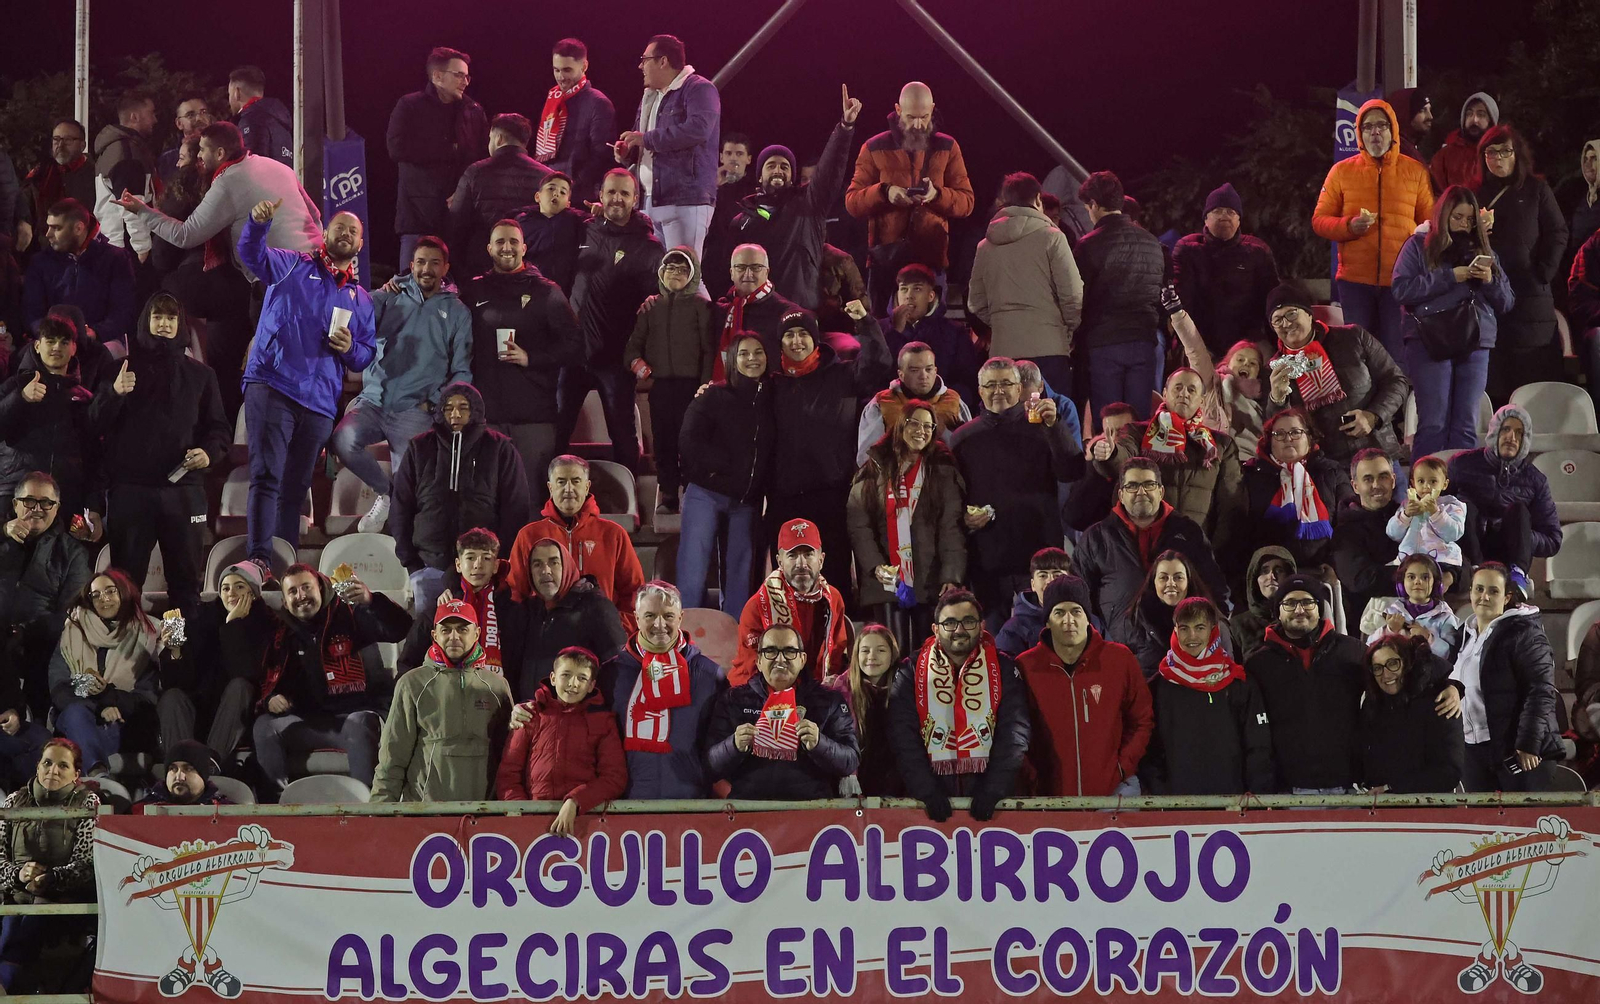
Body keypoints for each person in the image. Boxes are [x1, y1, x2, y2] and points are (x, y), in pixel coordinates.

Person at [238, 198, 375, 576]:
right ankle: (260, 558)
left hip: (318, 403)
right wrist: (256, 223)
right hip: (273, 383)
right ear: (325, 233)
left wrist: (351, 350)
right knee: (266, 475)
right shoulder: (292, 265)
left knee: (296, 488)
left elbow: (365, 355)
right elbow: (251, 254)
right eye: (339, 227)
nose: (345, 233)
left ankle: (284, 565)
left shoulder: (360, 299)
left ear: (359, 245)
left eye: (354, 231)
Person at [90, 293, 229, 618]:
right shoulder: (119, 370)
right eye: (157, 317)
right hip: (130, 493)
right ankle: (128, 661)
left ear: (180, 324)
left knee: (186, 587)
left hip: (184, 493)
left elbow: (219, 430)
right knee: (126, 585)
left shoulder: (201, 376)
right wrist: (114, 394)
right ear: (145, 322)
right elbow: (93, 424)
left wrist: (208, 454)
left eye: (171, 318)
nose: (164, 324)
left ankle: (184, 660)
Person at [333, 237, 473, 534]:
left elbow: (461, 370)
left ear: (445, 268)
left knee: (413, 487)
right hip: (373, 401)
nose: (427, 269)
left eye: (435, 263)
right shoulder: (390, 296)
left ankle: (406, 559)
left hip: (416, 409)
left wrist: (437, 401)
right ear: (411, 266)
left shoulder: (457, 312)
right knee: (344, 440)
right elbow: (357, 311)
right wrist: (381, 292)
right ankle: (386, 494)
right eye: (421, 262)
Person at [249, 565, 412, 796]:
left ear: (321, 589)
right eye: (293, 591)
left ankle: (371, 810)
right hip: (307, 721)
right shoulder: (281, 633)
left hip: (355, 717)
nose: (301, 596)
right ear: (285, 601)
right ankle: (274, 811)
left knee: (361, 722)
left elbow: (401, 629)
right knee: (265, 726)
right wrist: (270, 699)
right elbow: (266, 679)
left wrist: (371, 601)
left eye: (306, 587)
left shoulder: (351, 614)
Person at [767, 306, 895, 597]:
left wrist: (865, 322)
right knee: (789, 580)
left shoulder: (843, 374)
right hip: (784, 496)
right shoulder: (773, 384)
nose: (797, 341)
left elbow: (879, 363)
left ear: (816, 340)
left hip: (833, 491)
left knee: (835, 572)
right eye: (789, 335)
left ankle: (838, 636)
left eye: (803, 334)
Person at [950, 357, 1085, 621]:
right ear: (980, 391)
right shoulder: (963, 437)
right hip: (987, 555)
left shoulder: (1044, 427)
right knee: (994, 639)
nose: (998, 391)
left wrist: (1055, 427)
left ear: (1018, 388)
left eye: (1005, 384)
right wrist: (964, 519)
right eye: (990, 385)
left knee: (1043, 636)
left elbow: (1072, 471)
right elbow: (955, 496)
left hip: (1039, 555)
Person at [1391, 185, 1515, 453]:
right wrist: (1451, 277)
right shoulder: (1418, 246)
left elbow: (1506, 302)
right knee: (1433, 423)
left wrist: (1490, 280)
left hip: (1476, 340)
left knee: (1466, 425)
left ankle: (1463, 492)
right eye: (1457, 217)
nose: (1463, 225)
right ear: (1443, 216)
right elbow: (1401, 290)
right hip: (1429, 340)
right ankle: (1426, 493)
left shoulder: (1484, 251)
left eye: (1470, 220)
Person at [113, 122, 323, 277]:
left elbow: (186, 235)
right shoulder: (277, 166)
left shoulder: (228, 182)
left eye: (203, 149)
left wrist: (142, 211)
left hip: (277, 278)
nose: (199, 156)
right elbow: (315, 216)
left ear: (220, 153)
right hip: (315, 267)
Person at [390, 383, 531, 615]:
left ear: (475, 411)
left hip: (483, 571)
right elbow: (401, 507)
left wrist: (497, 562)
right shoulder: (419, 447)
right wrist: (412, 564)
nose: (455, 414)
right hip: (429, 567)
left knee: (482, 640)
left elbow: (515, 508)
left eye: (463, 407)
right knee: (430, 642)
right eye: (448, 408)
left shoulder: (499, 448)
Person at [887, 589, 1028, 818]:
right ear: (936, 628)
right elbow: (902, 734)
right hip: (928, 806)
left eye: (968, 621)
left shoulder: (1003, 668)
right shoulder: (911, 671)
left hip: (993, 805)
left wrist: (994, 790)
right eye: (950, 623)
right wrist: (926, 791)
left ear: (982, 626)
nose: (959, 630)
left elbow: (1014, 732)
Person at [1311, 98, 1435, 360]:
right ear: (1359, 133)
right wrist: (1349, 226)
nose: (1375, 132)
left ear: (1393, 131)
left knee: (1395, 355)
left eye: (1382, 125)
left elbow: (1430, 225)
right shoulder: (1341, 171)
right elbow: (1319, 220)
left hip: (1400, 281)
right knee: (1358, 356)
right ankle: (1361, 403)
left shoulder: (1415, 172)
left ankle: (1397, 402)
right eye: (1367, 127)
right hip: (1355, 282)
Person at [465, 219, 584, 491]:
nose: (507, 248)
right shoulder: (473, 290)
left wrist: (532, 357)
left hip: (535, 419)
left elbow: (575, 345)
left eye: (513, 242)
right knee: (487, 500)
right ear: (489, 249)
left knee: (531, 501)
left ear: (524, 247)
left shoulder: (546, 291)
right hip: (488, 416)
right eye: (500, 242)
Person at [558, 170, 664, 472]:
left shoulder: (650, 247)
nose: (617, 198)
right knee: (558, 429)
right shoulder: (581, 230)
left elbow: (655, 308)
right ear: (600, 196)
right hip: (574, 353)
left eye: (624, 193)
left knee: (623, 437)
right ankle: (546, 504)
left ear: (635, 199)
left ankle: (630, 498)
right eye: (611, 192)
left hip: (616, 358)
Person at [844, 81, 975, 313]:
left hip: (931, 261)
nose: (917, 124)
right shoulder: (873, 147)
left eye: (924, 117)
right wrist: (885, 192)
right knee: (886, 335)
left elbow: (966, 203)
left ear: (933, 109)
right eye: (911, 117)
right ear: (897, 110)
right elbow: (852, 202)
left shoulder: (948, 146)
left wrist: (937, 195)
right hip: (885, 263)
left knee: (932, 337)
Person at [847, 398, 966, 652]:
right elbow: (860, 525)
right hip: (888, 581)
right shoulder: (873, 469)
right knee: (892, 653)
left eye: (928, 426)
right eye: (914, 424)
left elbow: (950, 527)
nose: (920, 431)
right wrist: (875, 566)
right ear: (900, 426)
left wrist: (951, 575)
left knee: (928, 655)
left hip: (929, 578)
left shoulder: (941, 470)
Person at [1016, 575, 1152, 797]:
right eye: (1059, 612)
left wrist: (1121, 767)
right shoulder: (1026, 666)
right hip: (1050, 802)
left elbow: (1141, 720)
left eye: (1076, 611)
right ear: (1048, 621)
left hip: (1113, 795)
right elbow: (1017, 732)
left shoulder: (1119, 659)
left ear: (1088, 618)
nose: (1068, 620)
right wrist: (1034, 778)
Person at [729, 87, 861, 311]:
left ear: (793, 175)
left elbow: (829, 171)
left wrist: (845, 128)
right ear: (759, 176)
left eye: (785, 166)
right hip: (756, 311)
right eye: (771, 166)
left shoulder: (808, 205)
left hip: (800, 310)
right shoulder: (740, 221)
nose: (778, 170)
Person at [372, 600, 513, 802]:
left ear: (477, 633)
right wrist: (379, 814)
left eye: (462, 629)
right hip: (426, 818)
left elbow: (510, 760)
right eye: (446, 630)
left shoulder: (497, 686)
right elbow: (392, 757)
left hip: (485, 816)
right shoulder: (412, 683)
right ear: (434, 635)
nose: (454, 637)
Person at [1263, 282, 1410, 471]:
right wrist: (1277, 399)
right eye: (1277, 320)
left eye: (1291, 314)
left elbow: (1396, 380)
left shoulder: (1353, 338)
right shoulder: (1274, 369)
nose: (1286, 324)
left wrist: (1373, 416)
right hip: (1327, 469)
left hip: (1378, 454)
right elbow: (1275, 430)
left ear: (1308, 314)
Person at [1075, 456, 1229, 633]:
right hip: (1119, 649)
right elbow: (1079, 596)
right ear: (1121, 495)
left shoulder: (1188, 532)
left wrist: (1217, 632)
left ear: (1161, 492)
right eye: (1132, 486)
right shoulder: (1096, 538)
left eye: (1149, 484)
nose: (1141, 492)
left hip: (1180, 645)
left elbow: (1214, 588)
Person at [1245, 574, 1368, 793]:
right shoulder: (1259, 664)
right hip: (1285, 790)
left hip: (1347, 786)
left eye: (1307, 602)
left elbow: (1393, 683)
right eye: (1290, 603)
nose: (1299, 610)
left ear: (1319, 608)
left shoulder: (1353, 651)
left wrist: (1450, 685)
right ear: (1278, 612)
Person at [1097, 366, 1243, 550]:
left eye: (1191, 389)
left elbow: (1230, 505)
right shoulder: (1138, 433)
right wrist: (1111, 454)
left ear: (1201, 400)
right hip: (1144, 548)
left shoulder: (1219, 445)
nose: (1184, 393)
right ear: (1165, 393)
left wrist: (1214, 552)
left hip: (1197, 550)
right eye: (1178, 387)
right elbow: (1123, 459)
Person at [707, 624, 859, 800]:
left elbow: (850, 761)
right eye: (771, 651)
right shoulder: (733, 700)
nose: (780, 659)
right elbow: (710, 767)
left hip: (811, 814)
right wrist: (734, 745)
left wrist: (820, 744)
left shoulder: (829, 701)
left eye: (789, 651)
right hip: (749, 814)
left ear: (802, 659)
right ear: (759, 661)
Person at [677, 335, 772, 612]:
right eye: (744, 353)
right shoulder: (713, 395)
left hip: (745, 502)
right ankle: (684, 641)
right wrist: (726, 468)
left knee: (740, 580)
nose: (752, 358)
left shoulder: (773, 396)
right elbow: (689, 442)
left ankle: (735, 643)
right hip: (707, 493)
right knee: (692, 572)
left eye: (758, 352)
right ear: (731, 360)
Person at [1141, 597, 1273, 795]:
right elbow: (1148, 749)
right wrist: (1161, 792)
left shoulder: (1239, 683)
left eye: (1200, 627)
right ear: (1175, 630)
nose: (1191, 636)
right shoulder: (1158, 686)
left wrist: (1256, 794)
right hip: (1175, 809)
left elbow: (1258, 745)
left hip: (1232, 805)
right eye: (1184, 628)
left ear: (1213, 630)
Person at [1474, 125, 1569, 399]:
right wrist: (1476, 233)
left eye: (1505, 151)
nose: (1498, 158)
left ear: (1517, 154)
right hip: (1491, 297)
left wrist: (1543, 272)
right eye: (1491, 152)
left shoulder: (1536, 189)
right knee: (1498, 382)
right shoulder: (1474, 194)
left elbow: (1558, 231)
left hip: (1531, 297)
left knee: (1534, 378)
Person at [1451, 563, 1562, 792]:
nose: (1484, 596)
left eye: (1493, 591)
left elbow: (1541, 690)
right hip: (1474, 751)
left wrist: (1528, 744)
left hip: (1517, 750)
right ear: (1470, 592)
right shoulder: (1463, 634)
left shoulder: (1525, 632)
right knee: (1480, 826)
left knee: (1522, 826)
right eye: (1479, 589)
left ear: (1507, 597)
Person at [967, 171, 1082, 391]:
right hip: (1050, 347)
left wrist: (1002, 324)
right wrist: (1067, 328)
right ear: (1038, 199)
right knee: (1050, 418)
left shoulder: (985, 246)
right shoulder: (1053, 237)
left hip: (1003, 349)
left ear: (1004, 201)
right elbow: (1073, 294)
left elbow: (976, 302)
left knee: (1009, 419)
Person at [0, 740, 99, 994]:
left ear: (76, 774)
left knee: (38, 913)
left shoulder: (88, 804)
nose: (52, 771)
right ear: (37, 766)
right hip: (14, 893)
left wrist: (52, 877)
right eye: (47, 763)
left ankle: (4, 983)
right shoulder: (14, 801)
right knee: (14, 915)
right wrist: (18, 874)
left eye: (62, 766)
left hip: (60, 897)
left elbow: (87, 864)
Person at [607, 581, 720, 798]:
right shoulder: (610, 674)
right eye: (650, 616)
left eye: (668, 616)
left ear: (680, 618)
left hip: (690, 804)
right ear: (636, 618)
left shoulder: (709, 674)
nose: (659, 624)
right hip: (626, 806)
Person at [496, 646, 627, 834]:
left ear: (591, 685)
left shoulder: (604, 722)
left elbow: (614, 777)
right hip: (532, 823)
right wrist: (521, 812)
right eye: (566, 675)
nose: (573, 684)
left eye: (582, 678)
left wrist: (576, 801)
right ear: (553, 678)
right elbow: (509, 774)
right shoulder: (530, 715)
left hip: (584, 823)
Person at [154, 562, 276, 762]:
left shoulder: (266, 623)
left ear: (253, 593)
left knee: (240, 686)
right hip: (201, 708)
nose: (231, 593)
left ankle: (211, 762)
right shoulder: (203, 619)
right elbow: (178, 682)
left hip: (237, 716)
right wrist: (175, 651)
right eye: (225, 588)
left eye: (240, 586)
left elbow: (245, 672)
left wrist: (233, 626)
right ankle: (180, 764)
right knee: (172, 697)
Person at [47, 570, 165, 777]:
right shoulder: (73, 632)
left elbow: (147, 697)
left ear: (124, 593)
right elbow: (59, 689)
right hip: (79, 719)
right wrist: (101, 706)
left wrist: (113, 701)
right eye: (96, 595)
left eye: (111, 591)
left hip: (125, 722)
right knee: (75, 715)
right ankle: (98, 776)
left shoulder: (148, 633)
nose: (104, 599)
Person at [624, 246, 713, 512]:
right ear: (661, 272)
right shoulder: (651, 307)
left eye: (682, 269)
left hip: (692, 388)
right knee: (663, 442)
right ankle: (669, 495)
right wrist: (644, 370)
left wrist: (705, 384)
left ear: (693, 274)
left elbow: (709, 348)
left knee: (691, 442)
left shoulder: (702, 306)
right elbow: (632, 348)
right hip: (661, 388)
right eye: (670, 268)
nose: (675, 274)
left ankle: (693, 494)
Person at [615, 34, 721, 258]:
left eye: (645, 59)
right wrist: (627, 152)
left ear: (662, 61)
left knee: (685, 276)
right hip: (650, 200)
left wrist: (646, 139)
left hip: (685, 200)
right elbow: (641, 141)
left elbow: (698, 129)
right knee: (662, 277)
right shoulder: (650, 98)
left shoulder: (699, 89)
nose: (640, 65)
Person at [1072, 171, 1166, 417]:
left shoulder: (1088, 244)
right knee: (1140, 420)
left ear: (1093, 204)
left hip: (1104, 342)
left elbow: (1078, 297)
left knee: (1110, 421)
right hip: (1144, 339)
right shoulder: (1151, 242)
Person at [388, 46, 489, 269]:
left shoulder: (473, 111)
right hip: (417, 217)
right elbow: (396, 147)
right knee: (411, 289)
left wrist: (463, 192)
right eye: (459, 75)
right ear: (437, 76)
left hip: (460, 219)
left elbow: (481, 159)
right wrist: (448, 149)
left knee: (457, 291)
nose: (465, 81)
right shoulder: (409, 106)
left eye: (467, 75)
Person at [0, 473, 90, 720]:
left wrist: (25, 632)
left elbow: (72, 613)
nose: (37, 509)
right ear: (15, 504)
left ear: (57, 507)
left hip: (40, 643)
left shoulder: (73, 553)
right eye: (29, 501)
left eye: (46, 503)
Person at [509, 455, 644, 611]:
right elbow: (516, 593)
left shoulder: (614, 534)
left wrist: (616, 628)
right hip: (547, 632)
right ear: (550, 488)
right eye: (561, 482)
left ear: (587, 487)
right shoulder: (529, 535)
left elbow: (634, 592)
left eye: (575, 481)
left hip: (601, 631)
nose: (568, 488)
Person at [730, 518, 850, 686]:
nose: (801, 564)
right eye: (792, 555)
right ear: (779, 562)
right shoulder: (758, 605)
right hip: (761, 690)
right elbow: (752, 668)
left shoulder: (833, 598)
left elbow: (835, 658)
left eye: (808, 554)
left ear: (821, 560)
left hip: (816, 689)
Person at [0, 317, 98, 520]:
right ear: (37, 345)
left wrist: (93, 508)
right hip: (14, 495)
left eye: (64, 342)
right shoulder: (15, 386)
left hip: (65, 499)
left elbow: (94, 458)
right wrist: (21, 398)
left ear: (73, 348)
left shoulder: (84, 398)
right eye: (50, 340)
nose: (56, 347)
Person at [1171, 182, 1280, 357]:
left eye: (1231, 212)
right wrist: (1191, 344)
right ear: (1206, 218)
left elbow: (1272, 300)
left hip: (1248, 340)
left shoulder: (1257, 251)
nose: (1225, 216)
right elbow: (1182, 302)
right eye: (1217, 211)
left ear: (1239, 220)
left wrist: (1277, 346)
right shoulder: (1188, 249)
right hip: (1201, 339)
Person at [1449, 403, 1561, 572]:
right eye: (1506, 429)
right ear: (1494, 432)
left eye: (1519, 432)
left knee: (1519, 511)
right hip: (1467, 554)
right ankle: (1474, 570)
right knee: (1464, 507)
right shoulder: (1461, 464)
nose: (1511, 437)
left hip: (1509, 556)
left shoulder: (1536, 480)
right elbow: (1437, 511)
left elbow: (1552, 540)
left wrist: (1521, 535)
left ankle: (1518, 576)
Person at [1240, 407, 1353, 573]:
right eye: (1279, 434)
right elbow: (1244, 531)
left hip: (1323, 570)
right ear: (1269, 442)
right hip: (1271, 575)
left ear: (1309, 438)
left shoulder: (1331, 472)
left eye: (1295, 432)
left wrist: (1335, 566)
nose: (1288, 438)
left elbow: (1347, 526)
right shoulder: (1252, 476)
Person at [514, 537, 626, 699]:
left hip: (581, 720)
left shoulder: (596, 607)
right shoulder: (528, 610)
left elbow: (616, 670)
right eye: (537, 564)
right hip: (535, 718)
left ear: (567, 566)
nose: (545, 571)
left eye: (554, 562)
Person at [397, 529, 521, 675]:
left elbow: (518, 664)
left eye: (486, 558)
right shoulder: (439, 609)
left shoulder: (511, 612)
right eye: (470, 558)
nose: (478, 565)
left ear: (495, 566)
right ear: (458, 564)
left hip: (497, 692)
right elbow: (408, 663)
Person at [447, 113, 552, 280]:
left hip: (482, 268)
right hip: (532, 271)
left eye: (490, 138)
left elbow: (456, 225)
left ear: (499, 138)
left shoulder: (475, 172)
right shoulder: (547, 177)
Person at [1359, 634, 1464, 793]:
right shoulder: (1373, 705)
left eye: (1393, 663)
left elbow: (1448, 773)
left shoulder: (1440, 701)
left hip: (1426, 811)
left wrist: (1391, 789)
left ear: (1408, 663)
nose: (1386, 675)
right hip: (1378, 808)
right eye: (1378, 668)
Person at [22, 199, 135, 344]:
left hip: (101, 344)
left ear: (78, 228)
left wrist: (95, 333)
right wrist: (52, 336)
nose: (48, 234)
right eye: (49, 227)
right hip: (52, 345)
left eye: (56, 228)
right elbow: (32, 312)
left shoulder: (116, 259)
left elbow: (124, 311)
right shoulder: (40, 262)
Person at [879, 264, 983, 409]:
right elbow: (872, 375)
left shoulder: (953, 331)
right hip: (893, 408)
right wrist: (894, 333)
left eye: (917, 289)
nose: (909, 295)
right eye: (904, 289)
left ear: (930, 296)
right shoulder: (880, 329)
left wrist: (939, 402)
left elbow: (968, 380)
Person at [855, 339, 971, 466]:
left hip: (942, 479)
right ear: (901, 374)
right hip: (896, 479)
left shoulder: (953, 401)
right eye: (915, 370)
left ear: (935, 370)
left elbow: (968, 452)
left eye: (928, 369)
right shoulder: (882, 404)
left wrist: (943, 432)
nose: (923, 376)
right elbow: (867, 458)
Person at [1118, 549, 1225, 681]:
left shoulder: (1212, 620)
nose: (1171, 583)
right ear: (1154, 582)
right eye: (1163, 578)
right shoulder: (1134, 619)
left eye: (1178, 577)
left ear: (1189, 581)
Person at [825, 623, 901, 796]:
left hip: (894, 789)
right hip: (848, 791)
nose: (871, 657)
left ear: (892, 654)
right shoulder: (836, 693)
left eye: (881, 650)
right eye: (865, 650)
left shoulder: (904, 691)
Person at [1333, 448, 1404, 628]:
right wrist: (1421, 577)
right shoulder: (1344, 531)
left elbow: (1456, 558)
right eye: (1368, 479)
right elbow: (1360, 580)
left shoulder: (1413, 516)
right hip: (1371, 626)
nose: (1376, 485)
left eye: (1383, 476)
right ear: (1355, 486)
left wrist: (1452, 575)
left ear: (1393, 480)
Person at [539, 39, 617, 201]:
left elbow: (602, 156)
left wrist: (572, 185)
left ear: (584, 66)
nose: (560, 77)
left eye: (567, 70)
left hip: (580, 196)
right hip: (552, 193)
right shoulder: (553, 99)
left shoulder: (598, 103)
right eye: (556, 70)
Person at [711, 244, 802, 373]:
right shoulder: (720, 309)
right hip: (725, 388)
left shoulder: (787, 312)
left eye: (756, 267)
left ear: (767, 272)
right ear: (731, 273)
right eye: (741, 267)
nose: (748, 274)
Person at [91, 91, 159, 262]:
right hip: (127, 248)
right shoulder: (126, 151)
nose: (155, 120)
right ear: (134, 117)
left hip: (114, 243)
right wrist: (142, 247)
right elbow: (130, 203)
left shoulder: (113, 148)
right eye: (151, 113)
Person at [1361, 553, 1463, 661]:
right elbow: (1371, 647)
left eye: (1425, 577)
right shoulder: (1392, 611)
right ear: (1402, 583)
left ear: (1436, 583)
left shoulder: (1445, 617)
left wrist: (1428, 638)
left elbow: (1451, 657)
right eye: (1411, 577)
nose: (1417, 581)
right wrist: (1390, 631)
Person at [1388, 454, 1467, 583]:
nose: (1427, 487)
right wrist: (1405, 516)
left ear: (1444, 484)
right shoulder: (1407, 505)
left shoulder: (1452, 506)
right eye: (1421, 481)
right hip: (1409, 561)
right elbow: (1393, 533)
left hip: (1441, 560)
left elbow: (1454, 533)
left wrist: (1436, 513)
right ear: (1413, 483)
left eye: (1433, 481)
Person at [21, 122, 95, 241]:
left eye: (68, 140)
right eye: (56, 139)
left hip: (84, 248)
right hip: (45, 247)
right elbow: (23, 204)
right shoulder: (41, 172)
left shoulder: (94, 174)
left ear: (82, 145)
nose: (60, 145)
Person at [994, 547, 1073, 657]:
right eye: (1043, 575)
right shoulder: (1014, 629)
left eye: (1057, 575)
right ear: (1033, 584)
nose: (1050, 581)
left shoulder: (1089, 621)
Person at [1230, 546, 1296, 663]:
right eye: (1265, 571)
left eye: (1279, 570)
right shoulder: (1238, 626)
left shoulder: (1300, 618)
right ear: (1255, 578)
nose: (1272, 576)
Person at [1430, 92, 1498, 194]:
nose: (1474, 120)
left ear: (1491, 121)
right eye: (1469, 114)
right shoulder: (1445, 156)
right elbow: (1435, 196)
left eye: (1481, 114)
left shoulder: (1501, 154)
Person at [1211, 339, 1268, 456]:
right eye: (1240, 359)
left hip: (1251, 460)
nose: (1246, 364)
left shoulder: (1264, 399)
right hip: (1218, 455)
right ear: (1227, 363)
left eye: (1253, 363)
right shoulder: (1213, 384)